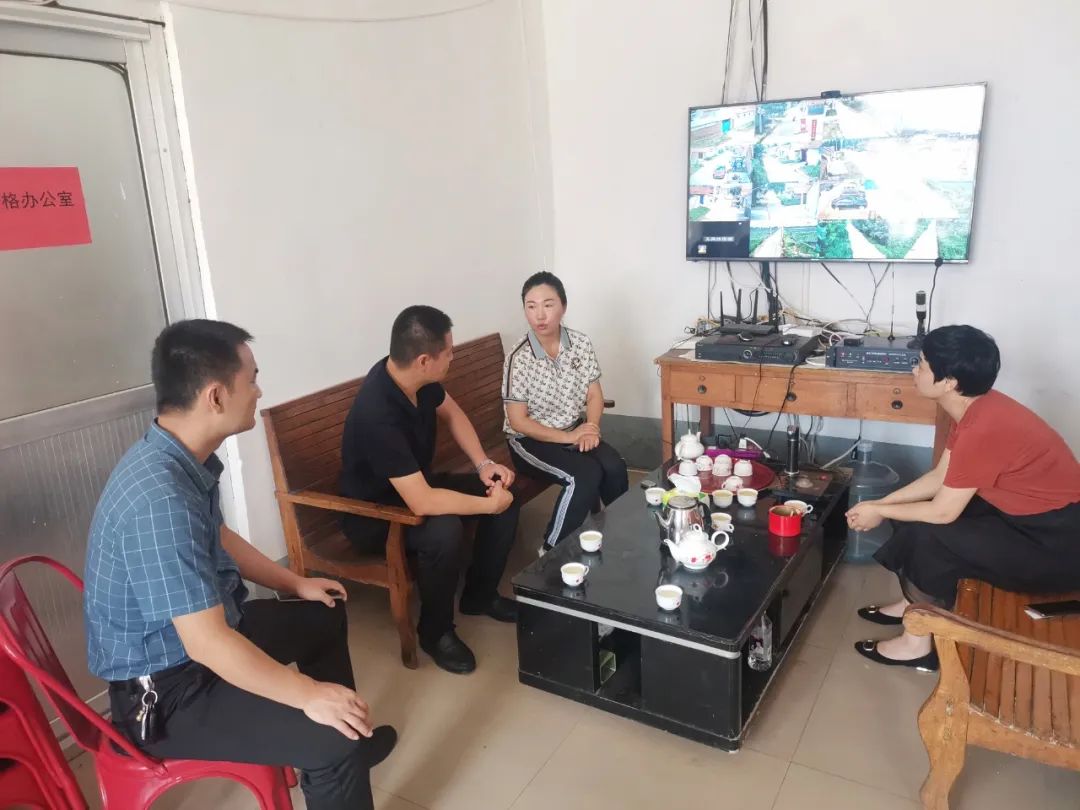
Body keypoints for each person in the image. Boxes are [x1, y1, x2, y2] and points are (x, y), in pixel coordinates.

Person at [84, 319, 395, 810]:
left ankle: (350, 743)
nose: (258, 391)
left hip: (198, 645)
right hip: (167, 694)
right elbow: (207, 643)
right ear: (215, 396)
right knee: (329, 740)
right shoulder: (158, 499)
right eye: (252, 379)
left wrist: (294, 582)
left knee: (323, 614)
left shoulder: (179, 458)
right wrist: (307, 694)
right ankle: (340, 748)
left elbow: (220, 538)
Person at [847, 325, 1080, 671]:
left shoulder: (986, 426)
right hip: (1022, 520)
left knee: (928, 536)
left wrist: (881, 509)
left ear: (949, 381)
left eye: (922, 364)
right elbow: (940, 477)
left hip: (1054, 545)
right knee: (907, 515)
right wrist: (883, 505)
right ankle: (913, 604)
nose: (914, 370)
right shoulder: (977, 407)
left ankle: (917, 646)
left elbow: (943, 512)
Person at [340, 306, 520, 675]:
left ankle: (479, 595)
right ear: (424, 360)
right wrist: (489, 507)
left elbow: (452, 413)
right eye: (449, 352)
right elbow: (421, 502)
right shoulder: (378, 413)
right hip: (374, 514)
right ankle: (435, 632)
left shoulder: (414, 379)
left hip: (415, 484)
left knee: (500, 490)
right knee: (444, 529)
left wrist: (484, 466)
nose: (453, 357)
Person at [502, 271, 629, 553]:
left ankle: (619, 534)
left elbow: (594, 394)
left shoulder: (580, 343)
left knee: (614, 466)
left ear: (563, 306)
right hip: (529, 440)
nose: (540, 315)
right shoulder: (519, 357)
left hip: (575, 429)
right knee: (584, 475)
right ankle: (550, 552)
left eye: (548, 305)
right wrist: (568, 437)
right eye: (531, 306)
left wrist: (591, 427)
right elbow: (518, 421)